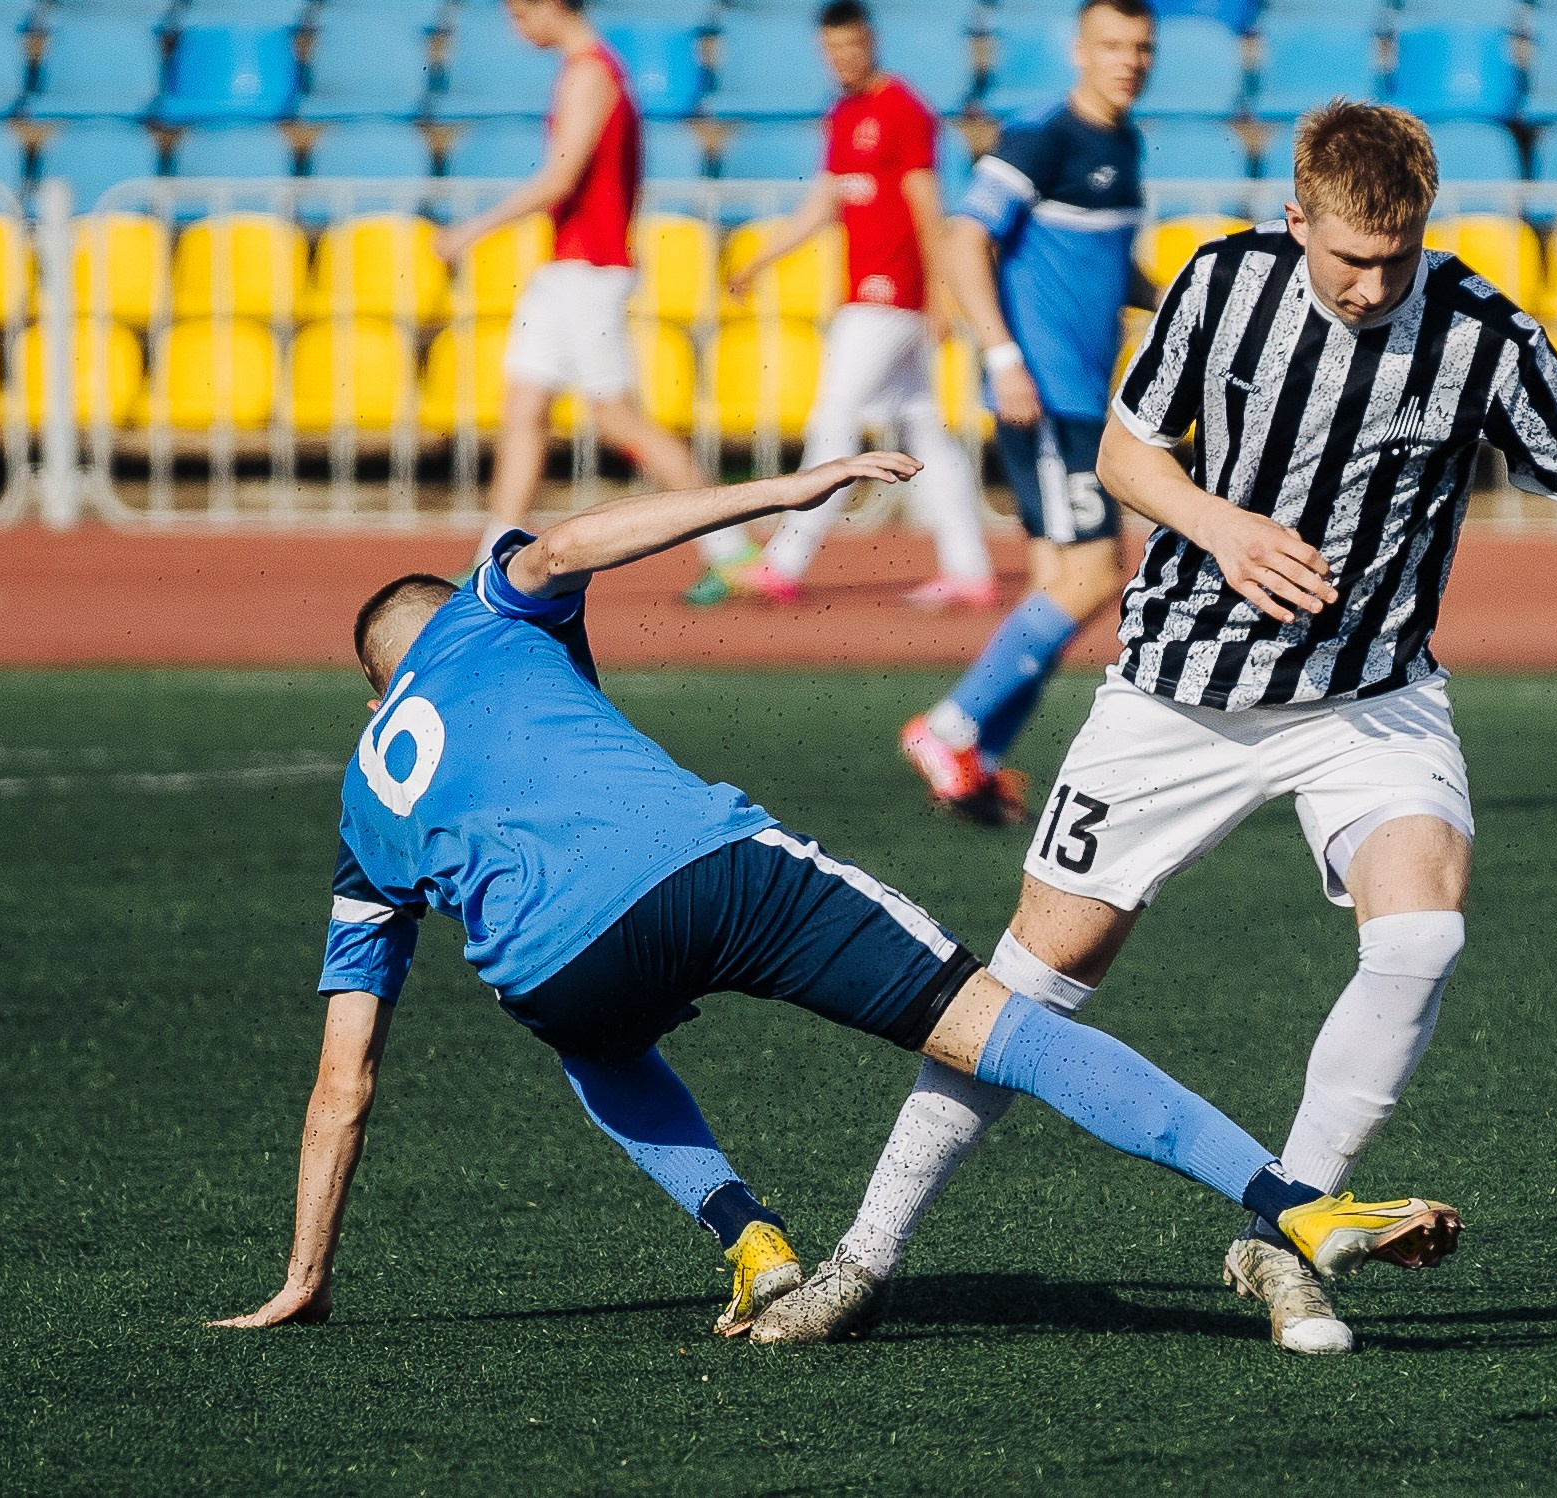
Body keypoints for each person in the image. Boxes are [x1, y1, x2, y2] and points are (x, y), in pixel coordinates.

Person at [755, 103, 1557, 1354]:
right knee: (1033, 981)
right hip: (1175, 694)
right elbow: (1127, 456)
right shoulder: (1222, 286)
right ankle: (865, 1254)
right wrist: (1222, 526)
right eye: (1349, 260)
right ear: (1296, 221)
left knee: (1422, 929)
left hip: (1370, 697)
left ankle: (1286, 1231)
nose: (1374, 286)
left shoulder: (1484, 334)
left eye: (1398, 257)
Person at [208, 451, 1461, 1343]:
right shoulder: (486, 608)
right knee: (1003, 1024)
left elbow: (342, 1082)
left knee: (594, 1047)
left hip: (558, 970)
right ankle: (1297, 1205)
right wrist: (784, 491)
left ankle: (749, 1238)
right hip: (712, 869)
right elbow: (570, 544)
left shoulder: (362, 813)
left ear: (374, 697)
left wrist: (307, 1272)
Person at [896, 0, 1158, 825]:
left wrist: (1179, 303)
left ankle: (977, 758)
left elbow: (1108, 266)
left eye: (1141, 47)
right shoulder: (1041, 137)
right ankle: (949, 726)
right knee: (1094, 575)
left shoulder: (1123, 142)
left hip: (1079, 397)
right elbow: (961, 238)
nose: (1128, 60)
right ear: (1079, 50)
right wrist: (1003, 356)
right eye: (1112, 45)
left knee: (1057, 585)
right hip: (1045, 395)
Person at [431, 0, 755, 582]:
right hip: (566, 269)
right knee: (525, 407)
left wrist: (471, 231)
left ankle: (731, 550)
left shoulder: (591, 73)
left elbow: (561, 178)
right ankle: (490, 558)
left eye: (521, 13)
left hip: (588, 270)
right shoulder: (588, 70)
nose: (517, 29)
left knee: (616, 419)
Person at [690, 0, 995, 612]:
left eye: (851, 46)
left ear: (870, 41)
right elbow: (824, 202)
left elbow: (925, 203)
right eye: (831, 50)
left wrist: (939, 291)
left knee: (835, 414)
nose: (842, 59)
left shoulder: (903, 109)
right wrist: (761, 257)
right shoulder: (844, 112)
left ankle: (784, 561)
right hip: (868, 296)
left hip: (892, 296)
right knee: (925, 432)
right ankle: (970, 569)